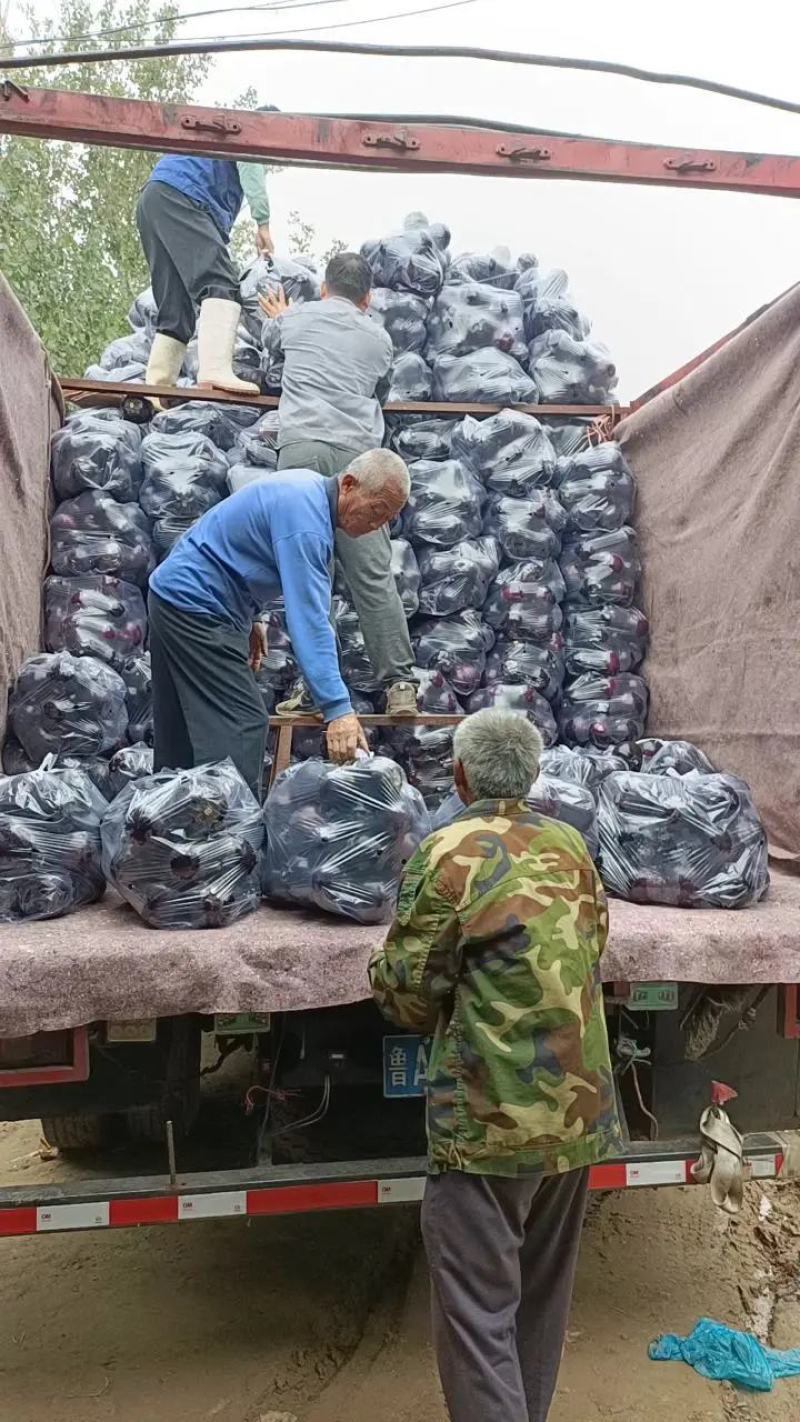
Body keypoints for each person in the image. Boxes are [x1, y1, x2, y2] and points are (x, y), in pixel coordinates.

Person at [369, 708, 622, 1422]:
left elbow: (412, 993)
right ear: (533, 774)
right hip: (577, 1113)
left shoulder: (447, 850)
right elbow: (593, 941)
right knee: (539, 1302)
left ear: (459, 775)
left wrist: (381, 975)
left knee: (478, 1318)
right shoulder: (571, 842)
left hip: (487, 1119)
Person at [147, 449, 410, 799]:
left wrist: (250, 613)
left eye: (387, 520)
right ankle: (223, 829)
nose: (376, 525)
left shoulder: (304, 491)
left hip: (174, 596)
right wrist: (337, 709)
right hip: (197, 608)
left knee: (178, 735)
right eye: (376, 511)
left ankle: (163, 822)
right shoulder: (308, 524)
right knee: (242, 724)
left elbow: (235, 539)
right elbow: (310, 622)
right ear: (348, 484)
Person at [259, 251, 418, 719]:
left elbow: (270, 341)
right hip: (358, 458)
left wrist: (285, 316)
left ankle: (315, 690)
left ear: (325, 288)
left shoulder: (297, 318)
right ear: (367, 299)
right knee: (371, 573)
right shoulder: (380, 339)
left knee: (310, 575)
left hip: (301, 453)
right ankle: (401, 686)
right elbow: (381, 392)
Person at [136, 106, 277, 397]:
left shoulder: (218, 139)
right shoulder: (251, 132)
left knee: (175, 306)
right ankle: (215, 371)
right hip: (184, 197)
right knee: (221, 283)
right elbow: (251, 165)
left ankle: (158, 389)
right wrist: (263, 222)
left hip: (154, 199)